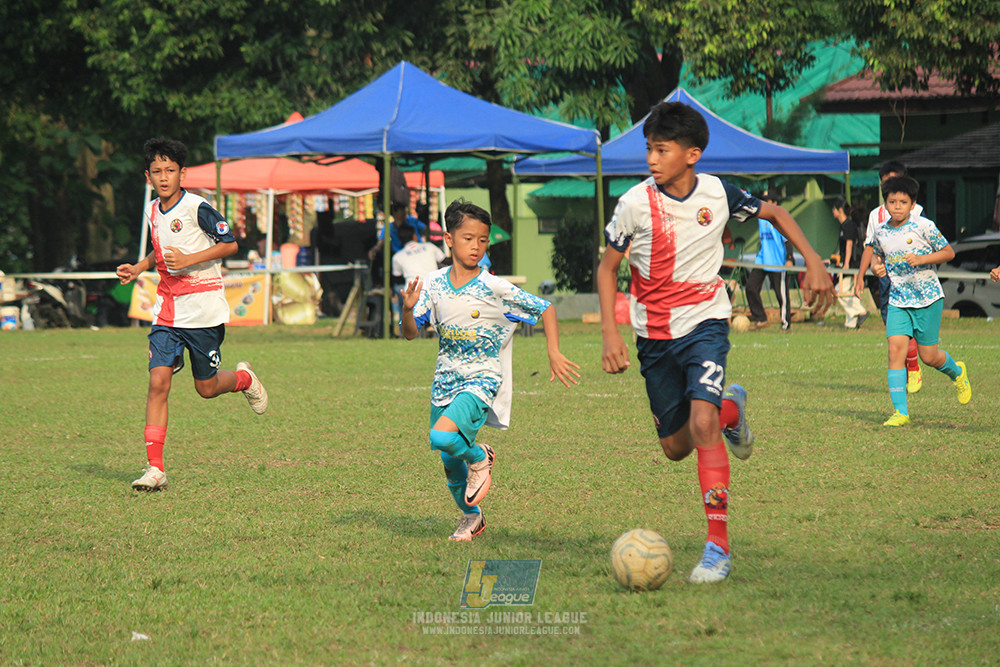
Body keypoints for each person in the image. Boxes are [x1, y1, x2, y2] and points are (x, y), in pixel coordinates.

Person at [597, 102, 835, 584]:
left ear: (692, 154)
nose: (651, 158)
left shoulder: (719, 193)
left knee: (701, 425)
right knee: (674, 447)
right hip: (654, 336)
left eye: (661, 150)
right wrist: (609, 332)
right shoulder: (633, 204)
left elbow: (775, 212)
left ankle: (717, 548)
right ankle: (732, 409)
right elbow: (607, 268)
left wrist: (813, 260)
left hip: (706, 321)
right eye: (648, 149)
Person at [400, 199, 580, 542]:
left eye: (483, 240)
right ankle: (472, 518)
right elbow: (409, 333)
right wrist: (408, 310)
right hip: (444, 381)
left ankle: (482, 456)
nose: (476, 246)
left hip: (481, 379)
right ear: (449, 239)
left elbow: (545, 308)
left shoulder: (494, 287)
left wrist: (553, 351)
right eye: (468, 238)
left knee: (441, 437)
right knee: (451, 465)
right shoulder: (433, 284)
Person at [116, 138, 268, 491]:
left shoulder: (199, 207)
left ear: (182, 173)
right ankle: (156, 469)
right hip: (167, 309)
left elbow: (230, 245)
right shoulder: (152, 210)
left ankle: (244, 380)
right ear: (148, 177)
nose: (164, 177)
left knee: (206, 387)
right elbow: (160, 250)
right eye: (157, 171)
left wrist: (188, 260)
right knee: (158, 382)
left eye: (171, 170)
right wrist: (139, 267)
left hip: (203, 310)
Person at [854, 176, 971, 426]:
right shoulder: (881, 231)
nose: (897, 206)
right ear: (884, 204)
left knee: (928, 356)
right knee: (895, 349)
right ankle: (900, 412)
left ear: (913, 204)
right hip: (898, 299)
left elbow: (949, 252)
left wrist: (922, 259)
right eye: (892, 201)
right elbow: (877, 257)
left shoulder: (924, 226)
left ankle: (958, 372)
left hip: (928, 298)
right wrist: (877, 268)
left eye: (903, 202)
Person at [867, 161, 924, 393]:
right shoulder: (875, 216)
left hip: (913, 279)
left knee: (920, 341)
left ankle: (913, 365)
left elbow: (934, 247)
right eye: (885, 182)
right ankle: (904, 381)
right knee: (894, 332)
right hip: (887, 280)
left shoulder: (918, 212)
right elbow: (872, 249)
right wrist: (871, 267)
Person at [745, 191, 793, 330]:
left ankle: (786, 324)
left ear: (775, 203)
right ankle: (761, 318)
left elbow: (788, 239)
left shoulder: (780, 220)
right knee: (751, 288)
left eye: (768, 201)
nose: (765, 203)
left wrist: (789, 258)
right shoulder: (761, 217)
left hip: (778, 262)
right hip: (763, 260)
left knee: (781, 295)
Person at [831, 198, 870, 329]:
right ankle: (851, 323)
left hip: (852, 264)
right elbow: (843, 247)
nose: (833, 211)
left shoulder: (849, 225)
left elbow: (849, 244)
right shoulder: (843, 225)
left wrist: (846, 263)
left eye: (834, 209)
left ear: (840, 210)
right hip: (846, 263)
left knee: (839, 291)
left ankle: (861, 311)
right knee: (848, 291)